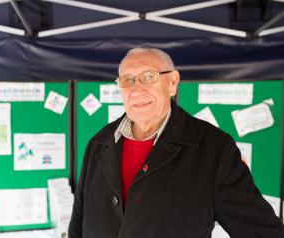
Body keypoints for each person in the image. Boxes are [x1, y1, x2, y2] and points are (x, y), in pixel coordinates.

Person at [68, 48, 284, 238]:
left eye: (148, 77)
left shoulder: (214, 148)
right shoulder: (99, 142)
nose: (136, 89)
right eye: (128, 80)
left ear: (172, 82)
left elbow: (260, 230)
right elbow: (78, 225)